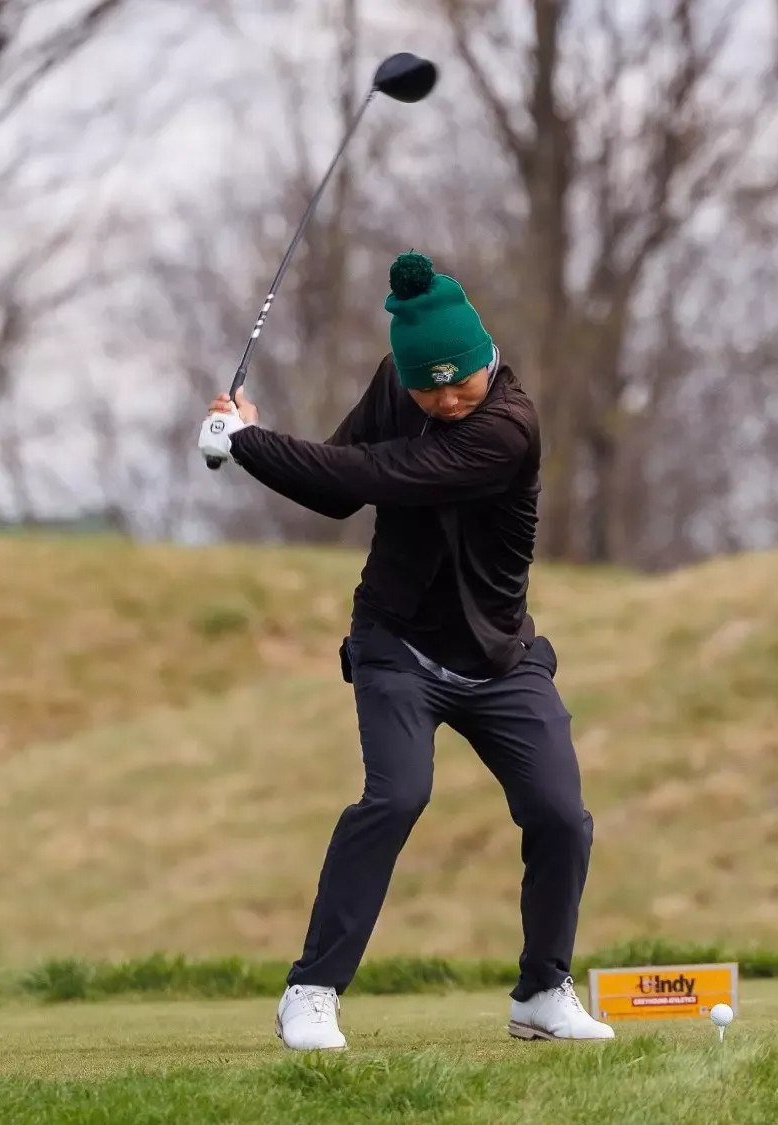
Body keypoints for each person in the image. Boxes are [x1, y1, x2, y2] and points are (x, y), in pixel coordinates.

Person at [196, 251, 614, 1050]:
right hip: (397, 645)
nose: (451, 400)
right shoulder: (397, 382)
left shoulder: (507, 428)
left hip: (500, 655)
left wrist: (248, 442)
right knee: (396, 795)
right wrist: (249, 438)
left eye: (465, 382)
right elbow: (335, 489)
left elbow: (383, 473)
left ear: (487, 359)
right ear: (407, 375)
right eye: (433, 389)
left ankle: (542, 992)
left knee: (562, 815)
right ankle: (311, 990)